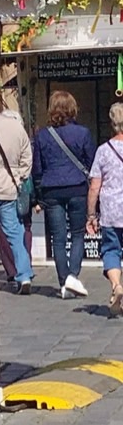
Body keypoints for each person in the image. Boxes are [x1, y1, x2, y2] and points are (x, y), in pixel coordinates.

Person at [33, 90, 96, 299]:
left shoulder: (42, 135)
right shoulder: (83, 133)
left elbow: (37, 168)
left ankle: (63, 281)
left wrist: (39, 195)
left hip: (51, 190)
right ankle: (72, 277)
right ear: (72, 108)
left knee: (58, 238)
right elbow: (91, 163)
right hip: (77, 187)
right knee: (77, 234)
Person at [0, 75, 35, 294]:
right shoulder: (16, 127)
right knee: (15, 234)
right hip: (10, 187)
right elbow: (28, 157)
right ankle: (24, 275)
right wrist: (20, 177)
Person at [86, 101, 123, 316]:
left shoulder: (103, 151)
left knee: (111, 250)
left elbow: (94, 186)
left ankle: (117, 285)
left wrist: (91, 214)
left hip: (110, 211)